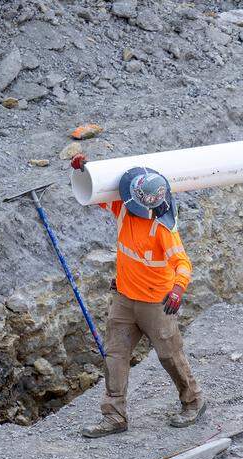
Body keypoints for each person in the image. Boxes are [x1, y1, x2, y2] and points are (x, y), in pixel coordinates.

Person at [70, 153, 206, 438]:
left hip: (156, 304)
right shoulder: (123, 210)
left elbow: (183, 263)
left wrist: (178, 288)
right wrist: (84, 170)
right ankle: (114, 416)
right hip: (124, 299)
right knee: (115, 355)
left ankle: (194, 401)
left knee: (170, 355)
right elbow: (96, 194)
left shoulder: (162, 229)